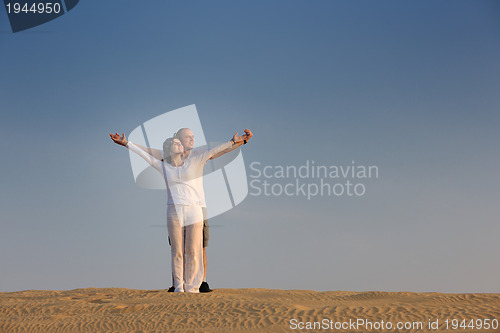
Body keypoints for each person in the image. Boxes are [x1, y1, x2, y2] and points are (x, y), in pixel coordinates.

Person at [109, 129, 252, 292]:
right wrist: (126, 143)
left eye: (191, 137)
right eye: (183, 139)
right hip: (174, 211)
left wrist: (236, 141)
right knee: (177, 250)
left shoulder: (196, 157)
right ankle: (178, 286)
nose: (190, 140)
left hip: (196, 209)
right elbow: (145, 154)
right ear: (172, 146)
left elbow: (216, 150)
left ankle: (195, 286)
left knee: (195, 249)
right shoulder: (163, 165)